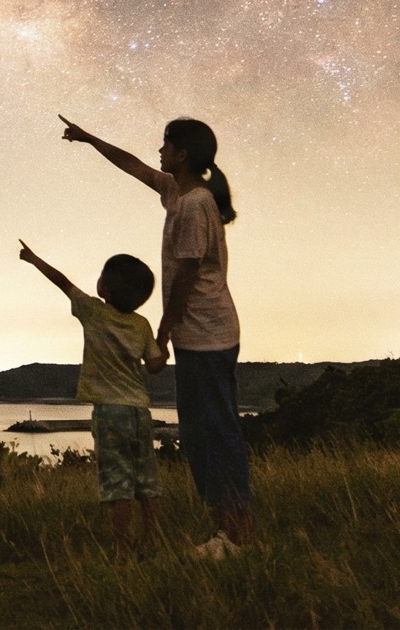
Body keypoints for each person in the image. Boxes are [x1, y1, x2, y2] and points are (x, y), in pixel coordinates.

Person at [57, 114, 254, 557]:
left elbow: (185, 276)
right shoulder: (176, 192)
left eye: (166, 145)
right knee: (205, 433)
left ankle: (235, 535)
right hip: (200, 336)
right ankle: (229, 530)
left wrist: (162, 334)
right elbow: (132, 166)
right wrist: (90, 138)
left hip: (205, 336)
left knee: (214, 434)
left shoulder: (194, 204)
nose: (159, 151)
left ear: (182, 154)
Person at [15, 239, 167, 558]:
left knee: (117, 485)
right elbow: (154, 366)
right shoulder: (141, 324)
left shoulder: (93, 311)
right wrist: (162, 342)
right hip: (140, 412)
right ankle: (153, 538)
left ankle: (121, 547)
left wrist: (32, 258)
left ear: (105, 290)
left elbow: (62, 281)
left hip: (110, 414)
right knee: (146, 481)